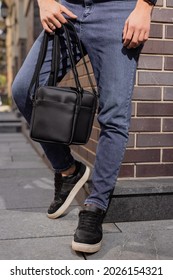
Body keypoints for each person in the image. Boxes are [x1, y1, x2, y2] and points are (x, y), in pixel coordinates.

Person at [12, 0, 157, 254]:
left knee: (114, 114)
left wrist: (145, 6)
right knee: (25, 90)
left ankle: (95, 206)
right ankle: (69, 171)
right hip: (67, 8)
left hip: (118, 11)